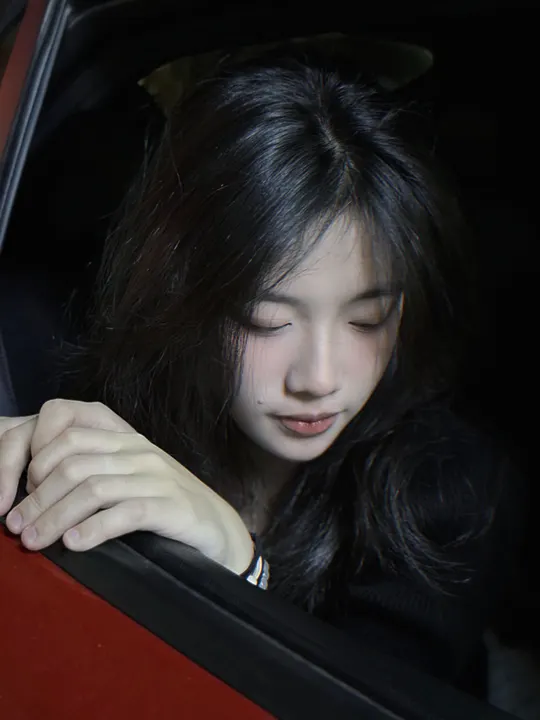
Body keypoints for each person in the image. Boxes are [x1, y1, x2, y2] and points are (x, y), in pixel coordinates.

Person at [0, 54, 523, 694]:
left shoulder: (454, 487)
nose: (319, 378)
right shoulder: (121, 405)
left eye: (369, 319)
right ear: (184, 298)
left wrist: (241, 569)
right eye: (266, 320)